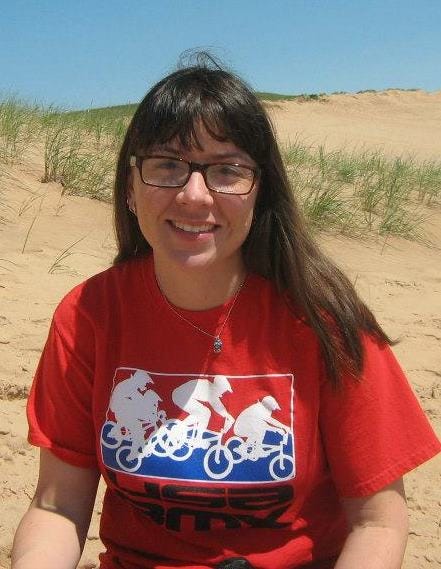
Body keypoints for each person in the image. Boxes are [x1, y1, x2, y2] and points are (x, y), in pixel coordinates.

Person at [12, 53, 440, 569]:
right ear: (130, 187)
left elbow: (378, 521)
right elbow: (58, 506)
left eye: (227, 171)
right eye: (166, 165)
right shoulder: (89, 315)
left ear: (261, 190)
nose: (195, 195)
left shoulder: (322, 318)